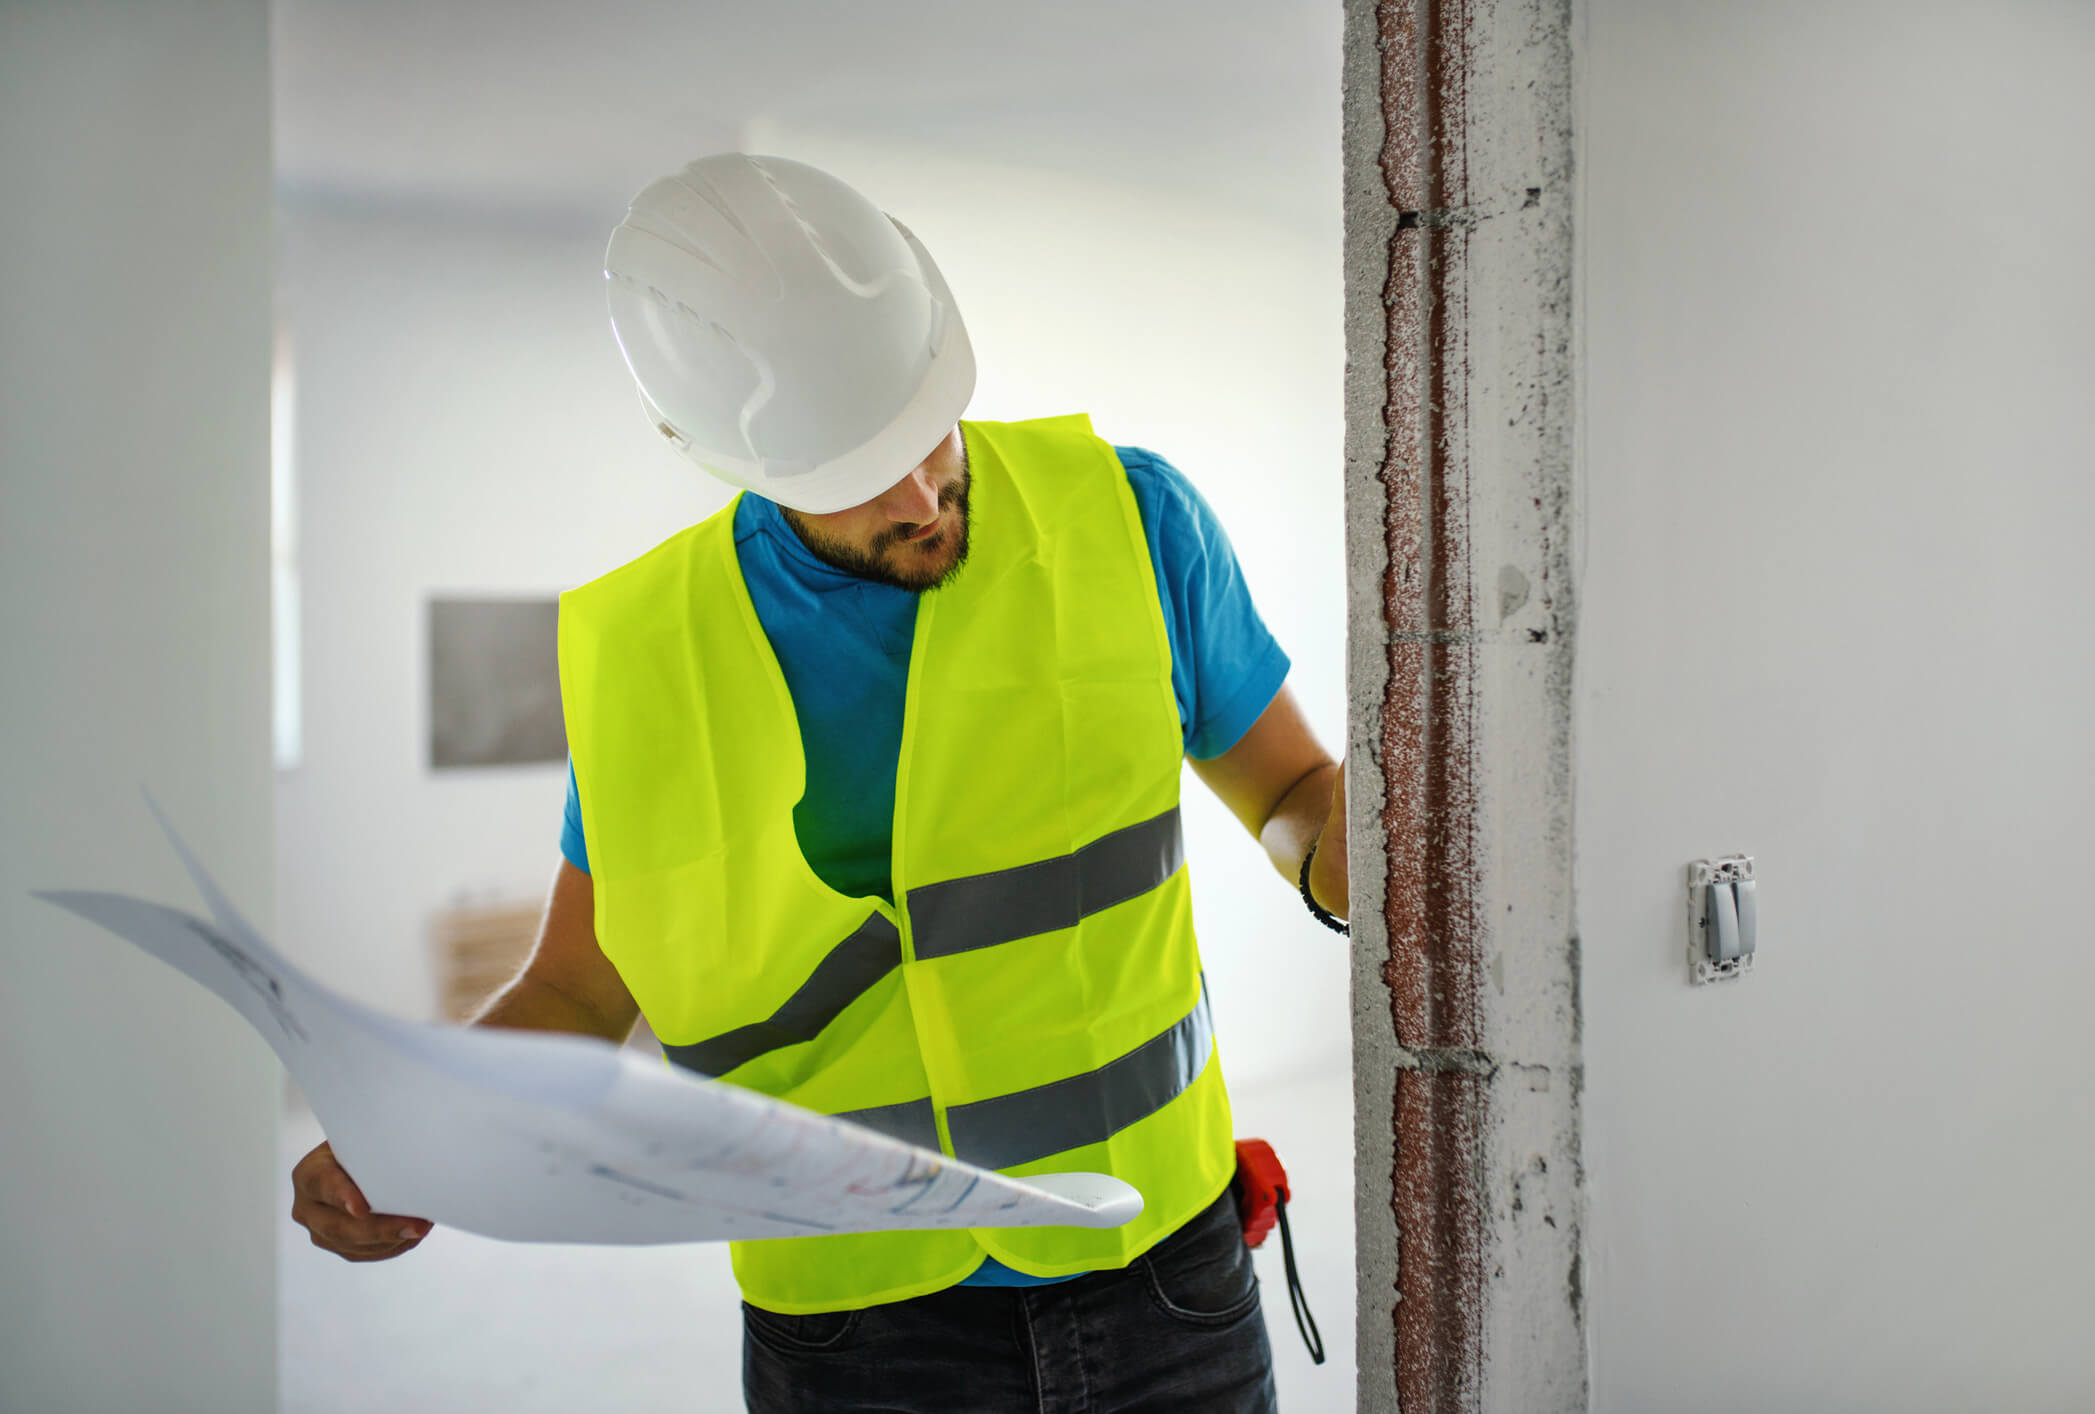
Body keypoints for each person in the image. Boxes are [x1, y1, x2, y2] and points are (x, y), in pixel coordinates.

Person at [289, 153, 1350, 1413]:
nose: (917, 495)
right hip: (854, 1336)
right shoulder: (644, 658)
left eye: (924, 428)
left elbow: (1293, 793)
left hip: (1159, 1273)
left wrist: (1350, 856)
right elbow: (578, 984)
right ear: (716, 453)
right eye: (853, 469)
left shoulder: (1132, 520)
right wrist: (420, 1124)